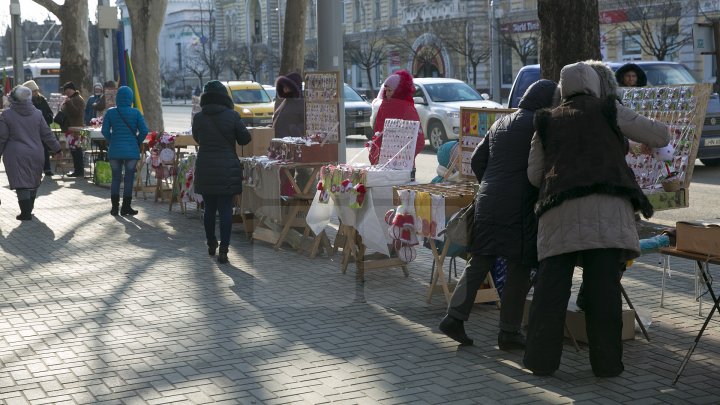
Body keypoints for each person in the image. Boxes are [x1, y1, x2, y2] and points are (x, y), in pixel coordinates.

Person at [523, 61, 670, 377]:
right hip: (606, 213)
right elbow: (659, 135)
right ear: (593, 84)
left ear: (562, 88)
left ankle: (540, 362)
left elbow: (535, 175)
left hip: (557, 212)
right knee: (603, 293)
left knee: (550, 292)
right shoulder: (609, 109)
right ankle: (606, 366)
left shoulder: (546, 120)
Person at [437, 79, 558, 349]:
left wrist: (490, 184)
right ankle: (509, 332)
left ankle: (454, 317)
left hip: (488, 201)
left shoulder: (501, 122)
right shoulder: (541, 125)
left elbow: (478, 160)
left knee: (479, 261)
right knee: (520, 265)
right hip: (520, 205)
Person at [192, 80, 251, 264]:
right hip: (227, 168)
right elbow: (245, 139)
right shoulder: (232, 115)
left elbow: (196, 138)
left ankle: (211, 243)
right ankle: (224, 249)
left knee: (209, 209)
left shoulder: (199, 118)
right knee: (225, 209)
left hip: (206, 168)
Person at [0, 85, 61, 220]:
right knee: (33, 180)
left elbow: (2, 137)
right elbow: (47, 134)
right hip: (36, 153)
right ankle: (29, 209)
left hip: (15, 154)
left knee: (21, 183)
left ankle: (25, 212)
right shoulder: (37, 114)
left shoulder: (6, 115)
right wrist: (57, 148)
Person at [101, 86, 149, 216]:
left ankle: (114, 208)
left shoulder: (111, 112)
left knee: (116, 178)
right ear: (130, 98)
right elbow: (144, 130)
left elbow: (104, 131)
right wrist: (137, 141)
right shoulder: (136, 113)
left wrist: (112, 141)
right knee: (129, 178)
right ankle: (126, 207)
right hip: (131, 151)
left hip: (115, 150)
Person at [368, 70, 425, 180]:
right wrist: (374, 154)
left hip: (402, 166)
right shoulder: (383, 107)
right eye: (386, 90)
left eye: (390, 90)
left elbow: (419, 140)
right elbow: (377, 134)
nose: (388, 93)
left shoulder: (408, 109)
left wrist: (406, 157)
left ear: (399, 91)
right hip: (383, 164)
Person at [23, 80, 55, 176]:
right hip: (31, 129)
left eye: (36, 91)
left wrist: (48, 116)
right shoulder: (25, 102)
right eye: (33, 91)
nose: (35, 93)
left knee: (44, 149)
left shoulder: (42, 100)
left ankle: (47, 168)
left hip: (43, 128)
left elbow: (49, 113)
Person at [57, 81, 86, 177]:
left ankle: (79, 171)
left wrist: (68, 104)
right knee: (74, 151)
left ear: (73, 89)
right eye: (66, 90)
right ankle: (77, 170)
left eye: (69, 89)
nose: (67, 91)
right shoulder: (71, 98)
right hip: (70, 130)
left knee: (77, 151)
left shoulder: (78, 99)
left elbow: (77, 113)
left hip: (76, 130)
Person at [272, 72, 305, 138]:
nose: (285, 88)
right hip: (279, 141)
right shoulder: (285, 101)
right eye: (284, 86)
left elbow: (307, 123)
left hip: (291, 143)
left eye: (287, 86)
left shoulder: (301, 103)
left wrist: (294, 129)